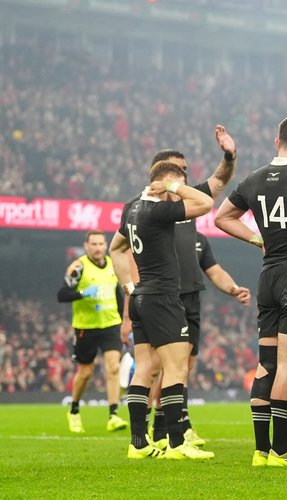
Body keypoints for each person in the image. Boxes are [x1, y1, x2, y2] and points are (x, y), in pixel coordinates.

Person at [215, 116, 287, 467]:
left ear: (277, 142)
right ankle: (281, 450)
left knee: (268, 364)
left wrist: (256, 239)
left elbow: (222, 217)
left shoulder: (253, 179)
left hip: (270, 275)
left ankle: (261, 451)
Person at [110, 160, 215, 460]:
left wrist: (128, 287)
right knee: (176, 368)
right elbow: (206, 203)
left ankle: (138, 443)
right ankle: (177, 443)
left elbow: (115, 248)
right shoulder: (158, 210)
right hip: (163, 298)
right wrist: (174, 186)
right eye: (179, 183)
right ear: (166, 180)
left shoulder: (132, 209)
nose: (181, 190)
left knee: (145, 368)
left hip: (142, 296)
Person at [146, 125, 238, 448]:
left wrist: (229, 155)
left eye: (185, 170)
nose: (183, 175)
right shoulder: (149, 208)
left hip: (190, 294)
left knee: (185, 365)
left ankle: (177, 424)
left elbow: (219, 181)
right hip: (163, 294)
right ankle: (156, 428)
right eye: (178, 170)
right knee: (162, 366)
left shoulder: (190, 201)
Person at [57, 230, 128, 433]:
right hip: (86, 327)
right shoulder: (78, 267)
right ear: (86, 246)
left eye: (101, 244)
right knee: (85, 372)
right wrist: (82, 293)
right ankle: (74, 409)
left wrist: (125, 322)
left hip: (111, 324)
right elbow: (62, 294)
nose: (98, 248)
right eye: (94, 244)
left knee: (113, 367)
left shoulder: (113, 265)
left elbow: (118, 296)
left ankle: (113, 415)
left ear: (106, 245)